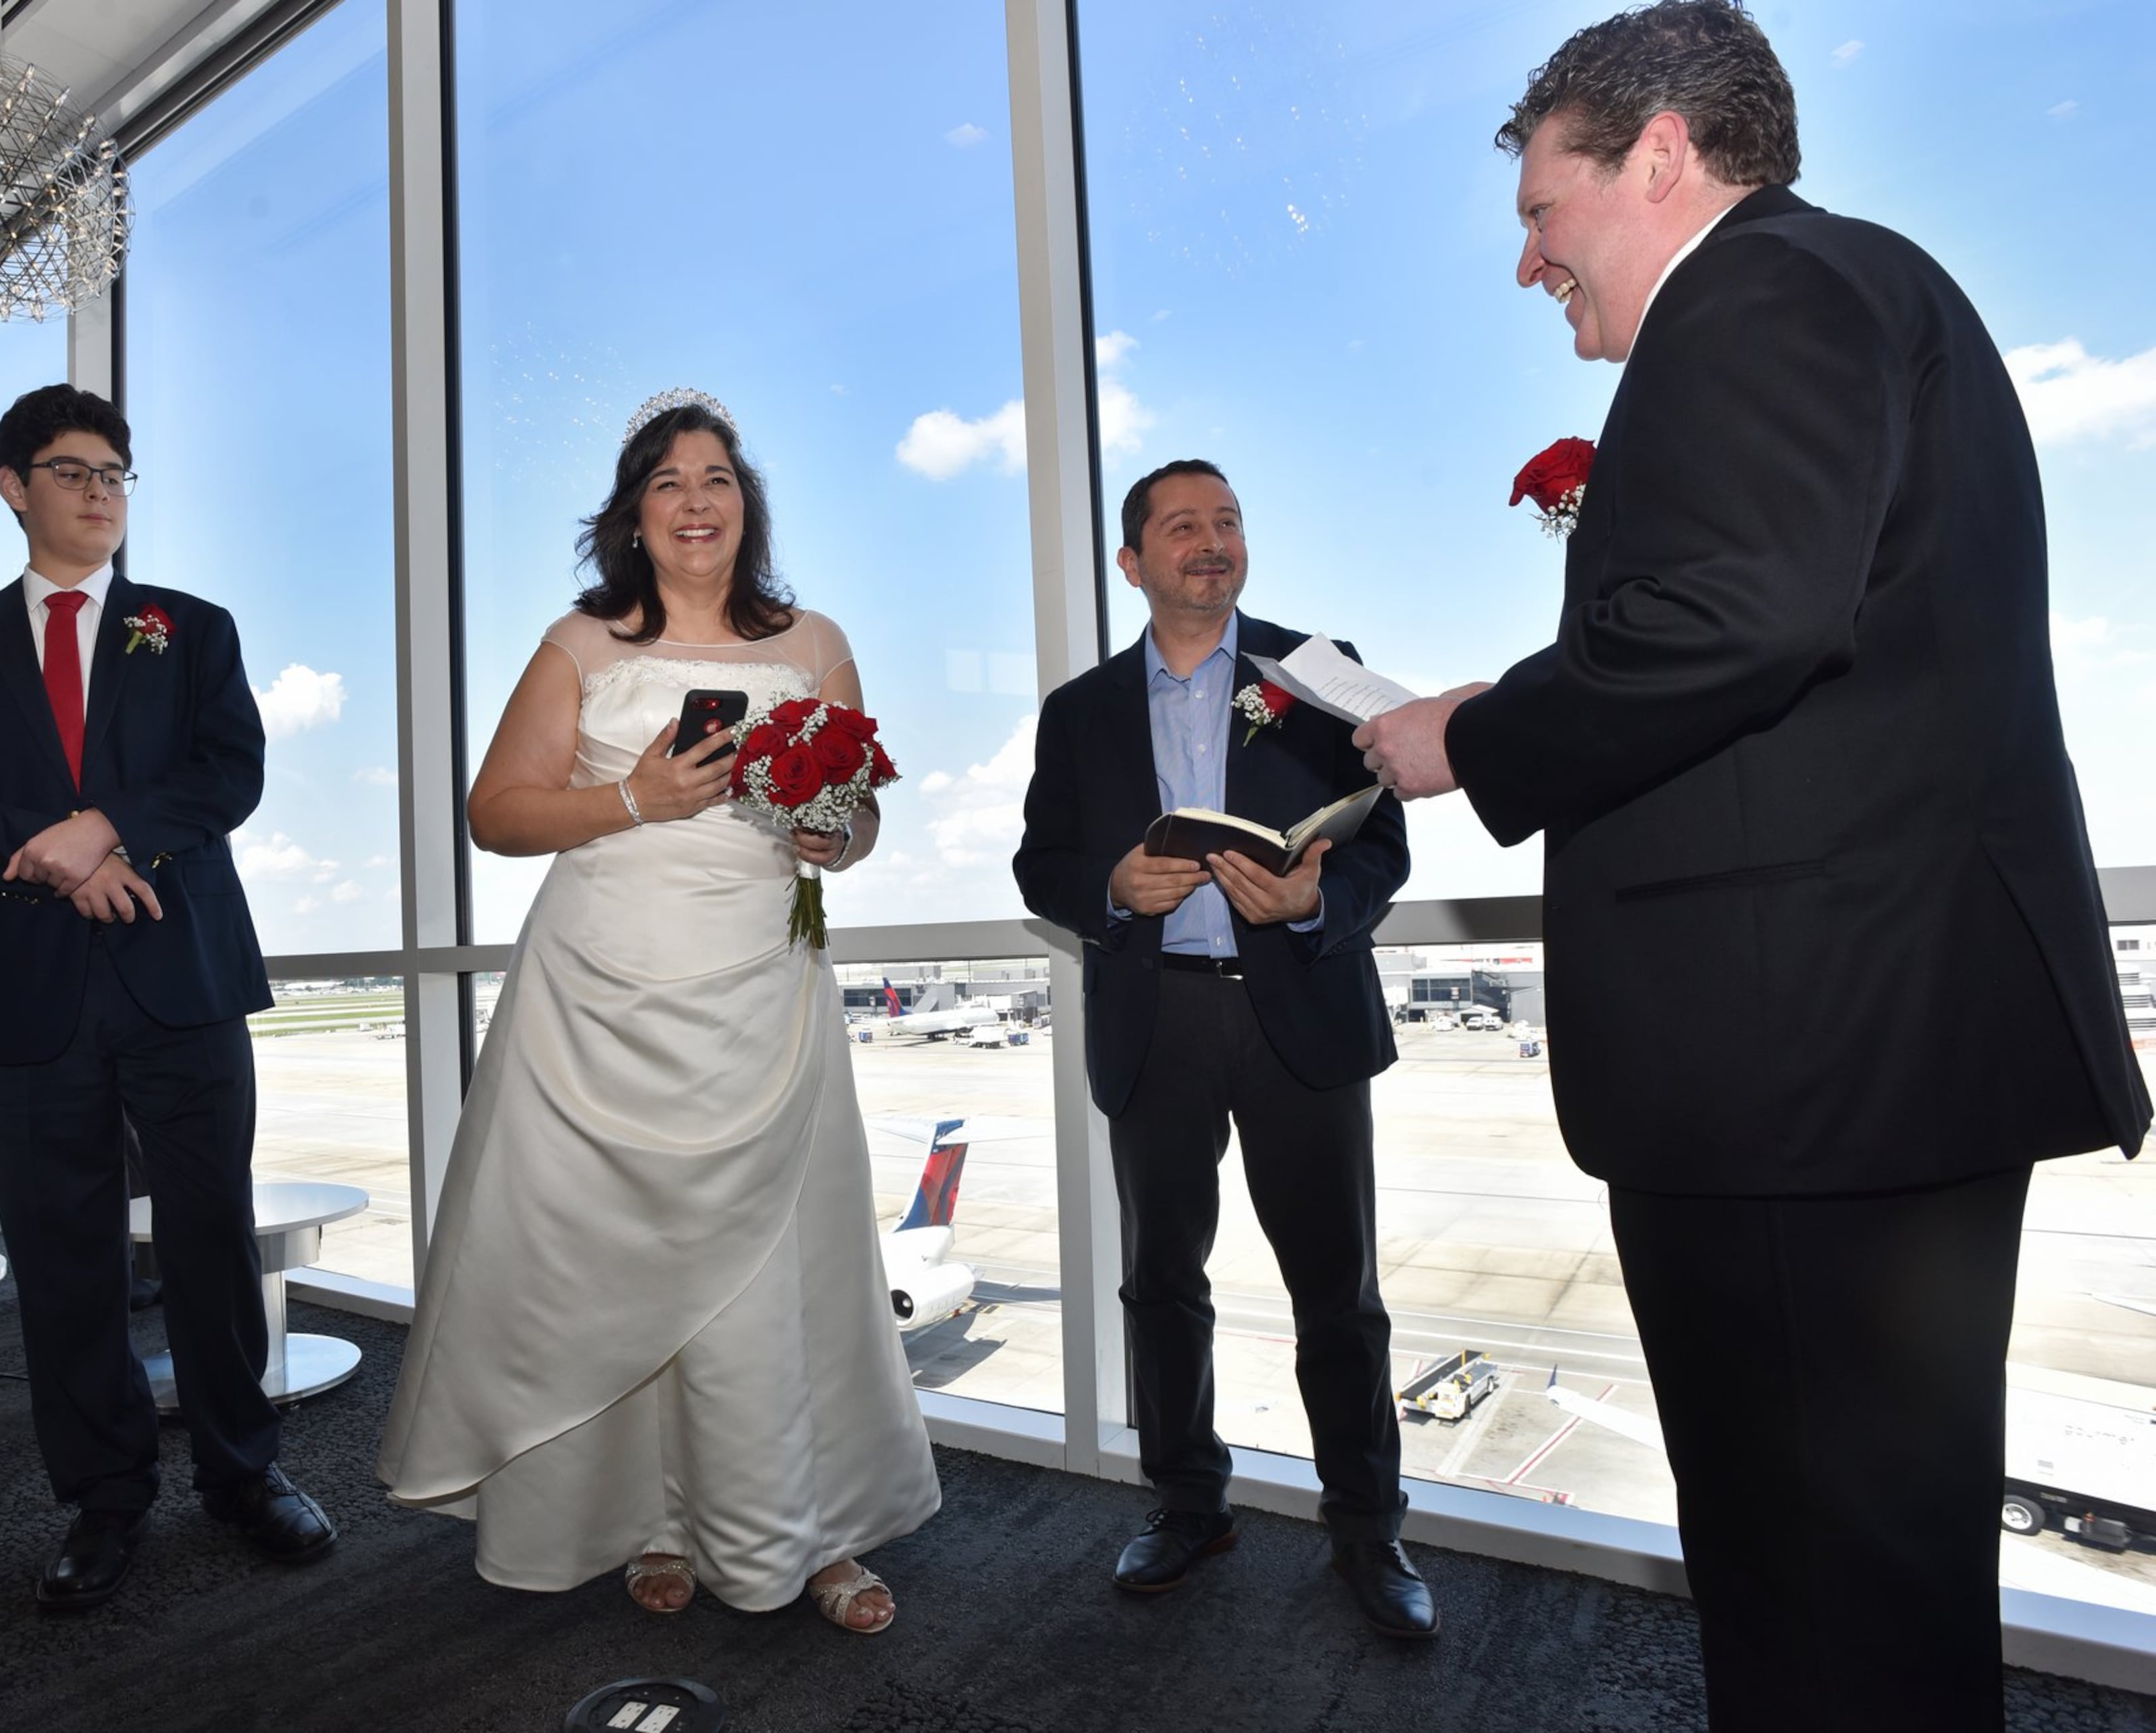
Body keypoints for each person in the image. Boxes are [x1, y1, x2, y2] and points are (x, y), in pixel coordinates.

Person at [1350, 4, 2152, 1725]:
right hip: (1863, 1063)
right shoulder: (1850, 292)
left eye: (1540, 213)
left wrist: (1469, 742)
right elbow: (1791, 642)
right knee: (1867, 1572)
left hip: (1810, 1074)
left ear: (1659, 155)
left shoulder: (1764, 291)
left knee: (1817, 1579)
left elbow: (1744, 616)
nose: (1527, 266)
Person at [375, 388, 938, 1634]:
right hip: (598, 1000)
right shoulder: (583, 642)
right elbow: (499, 813)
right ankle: (647, 1518)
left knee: (785, 1275)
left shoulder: (813, 639)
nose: (697, 501)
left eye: (719, 479)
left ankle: (815, 1528)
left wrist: (825, 822)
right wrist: (636, 800)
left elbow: (857, 826)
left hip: (763, 991)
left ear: (749, 505)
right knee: (607, 1264)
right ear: (635, 512)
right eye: (671, 481)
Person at [0, 384, 335, 1610]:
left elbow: (227, 772)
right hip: (31, 990)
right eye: (72, 471)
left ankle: (245, 1476)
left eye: (117, 473)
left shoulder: (190, 628)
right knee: (65, 1258)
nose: (99, 493)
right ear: (14, 486)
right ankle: (104, 1499)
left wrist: (107, 826)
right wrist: (51, 848)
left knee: (208, 1242)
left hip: (182, 976)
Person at [1013, 459, 1432, 1638]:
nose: (1212, 542)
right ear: (1132, 561)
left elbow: (1384, 845)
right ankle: (1187, 1504)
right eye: (1183, 526)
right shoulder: (1079, 710)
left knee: (1337, 1296)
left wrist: (1313, 901)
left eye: (1229, 521)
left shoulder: (1319, 673)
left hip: (1298, 1004)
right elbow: (1040, 865)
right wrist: (1109, 885)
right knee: (1160, 1281)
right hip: (1161, 1017)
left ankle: (1367, 1528)